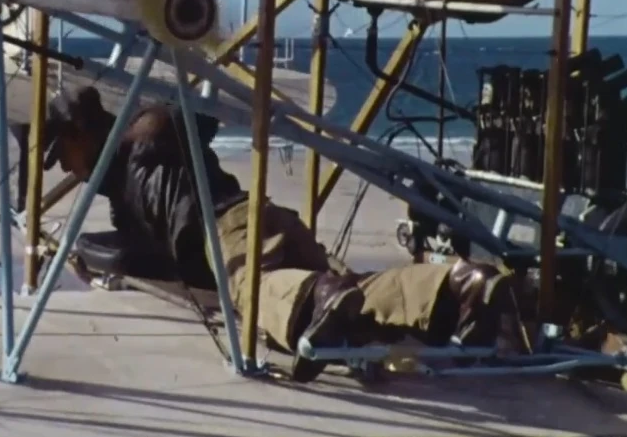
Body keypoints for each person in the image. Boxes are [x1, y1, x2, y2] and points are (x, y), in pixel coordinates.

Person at [43, 85, 524, 382]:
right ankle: (458, 285)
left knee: (257, 294)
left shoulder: (138, 144)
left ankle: (318, 297)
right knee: (359, 292)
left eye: (63, 154)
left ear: (81, 133)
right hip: (263, 215)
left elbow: (178, 127)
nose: (66, 168)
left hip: (227, 231)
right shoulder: (130, 170)